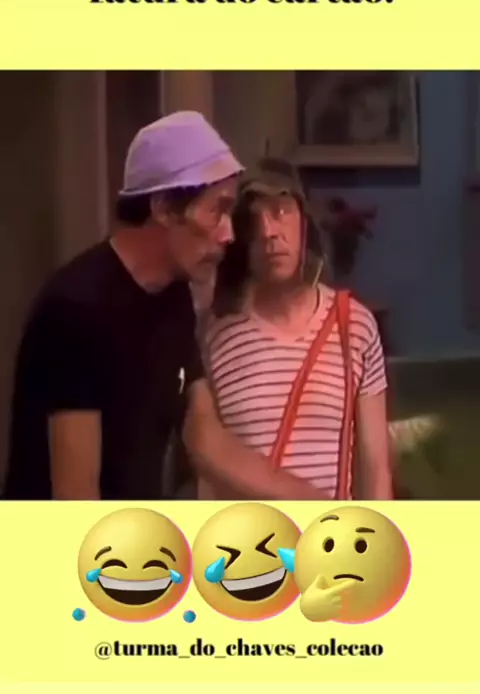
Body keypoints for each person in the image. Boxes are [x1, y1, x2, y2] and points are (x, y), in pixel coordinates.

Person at [3, 112, 325, 501]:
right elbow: (75, 497)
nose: (229, 234)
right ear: (163, 207)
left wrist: (318, 503)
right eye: (217, 210)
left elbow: (205, 437)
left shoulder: (174, 296)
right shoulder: (77, 309)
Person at [201, 156, 392, 500]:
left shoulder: (355, 326)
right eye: (253, 221)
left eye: (280, 211)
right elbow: (210, 474)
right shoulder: (216, 336)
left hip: (332, 533)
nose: (268, 232)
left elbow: (376, 470)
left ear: (304, 223)